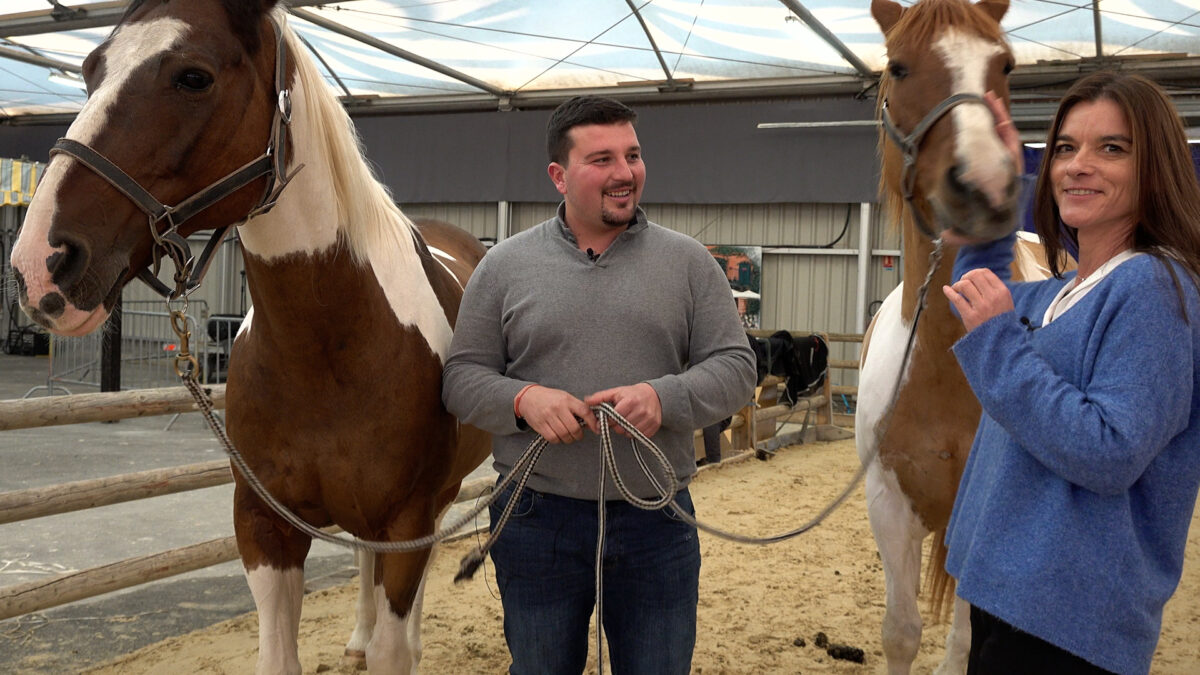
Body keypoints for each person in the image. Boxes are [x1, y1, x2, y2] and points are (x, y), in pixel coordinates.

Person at [441, 95, 757, 674]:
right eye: (603, 159)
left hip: (655, 519)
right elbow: (460, 378)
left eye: (633, 156)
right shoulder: (505, 266)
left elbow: (737, 368)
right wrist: (523, 400)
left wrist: (665, 397)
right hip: (535, 517)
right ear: (559, 176)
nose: (625, 173)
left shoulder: (688, 264)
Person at [940, 71, 1200, 675]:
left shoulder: (1155, 288)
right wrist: (996, 198)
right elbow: (982, 305)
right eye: (1065, 148)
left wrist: (1001, 343)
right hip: (1007, 595)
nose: (1078, 165)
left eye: (1112, 148)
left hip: (1066, 624)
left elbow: (1111, 452)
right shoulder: (1058, 294)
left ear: (1155, 167)